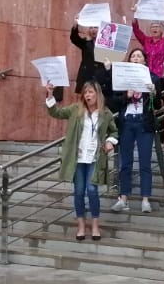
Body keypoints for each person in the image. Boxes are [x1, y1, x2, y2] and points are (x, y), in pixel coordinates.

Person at [46, 80, 118, 241]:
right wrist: (50, 94)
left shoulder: (105, 113)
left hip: (95, 157)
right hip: (77, 158)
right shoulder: (75, 110)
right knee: (79, 192)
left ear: (97, 94)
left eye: (91, 92)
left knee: (92, 190)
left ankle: (95, 225)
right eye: (85, 93)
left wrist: (109, 141)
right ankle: (80, 226)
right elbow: (55, 113)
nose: (88, 95)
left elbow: (114, 132)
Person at [108, 45, 162, 213]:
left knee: (145, 163)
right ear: (129, 60)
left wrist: (154, 93)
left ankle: (145, 199)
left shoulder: (153, 77)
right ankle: (123, 198)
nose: (136, 59)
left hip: (144, 123)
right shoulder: (122, 78)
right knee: (126, 163)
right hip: (127, 123)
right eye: (133, 56)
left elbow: (158, 105)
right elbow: (113, 102)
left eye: (139, 56)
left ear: (145, 60)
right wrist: (127, 96)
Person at [68, 22, 112, 95]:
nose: (93, 30)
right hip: (86, 78)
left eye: (95, 27)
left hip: (100, 80)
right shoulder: (86, 42)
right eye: (91, 27)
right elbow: (74, 39)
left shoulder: (108, 45)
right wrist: (75, 26)